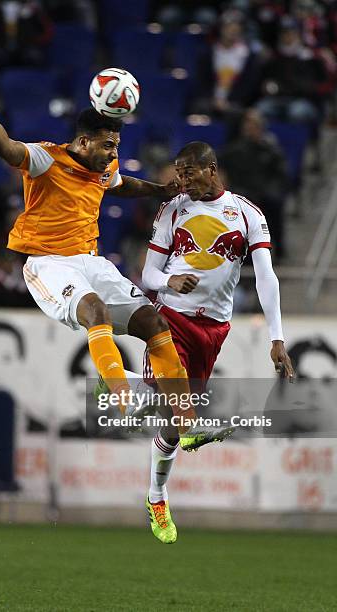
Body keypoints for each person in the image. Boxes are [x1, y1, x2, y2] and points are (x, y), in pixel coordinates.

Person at [0, 89, 222, 451]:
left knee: (154, 321)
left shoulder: (105, 168)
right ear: (83, 142)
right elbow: (8, 149)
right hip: (48, 262)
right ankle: (122, 396)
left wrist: (158, 190)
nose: (114, 155)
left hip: (90, 260)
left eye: (116, 146)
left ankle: (188, 424)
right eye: (107, 146)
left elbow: (121, 184)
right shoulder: (46, 159)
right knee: (95, 311)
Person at [139, 141, 294, 543]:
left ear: (211, 169)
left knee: (173, 426)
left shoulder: (247, 214)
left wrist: (277, 337)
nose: (181, 179)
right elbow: (149, 275)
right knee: (175, 407)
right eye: (178, 171)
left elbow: (266, 277)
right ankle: (160, 489)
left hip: (214, 329)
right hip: (170, 316)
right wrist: (169, 280)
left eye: (188, 171)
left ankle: (156, 494)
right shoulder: (171, 209)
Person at [219, 108, 289, 258]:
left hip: (265, 190)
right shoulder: (234, 150)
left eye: (255, 126)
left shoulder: (270, 150)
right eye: (249, 126)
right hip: (240, 190)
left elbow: (280, 173)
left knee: (273, 201)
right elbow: (221, 169)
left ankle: (278, 247)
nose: (252, 129)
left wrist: (273, 188)